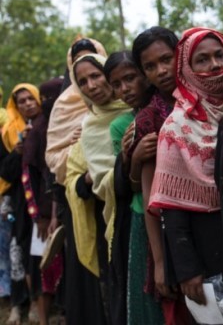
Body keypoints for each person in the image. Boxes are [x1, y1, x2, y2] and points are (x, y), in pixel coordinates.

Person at [149, 27, 223, 307]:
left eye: (220, 55)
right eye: (202, 59)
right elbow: (172, 211)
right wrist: (188, 269)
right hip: (208, 247)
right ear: (186, 67)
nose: (214, 65)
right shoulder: (176, 128)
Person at [44, 37, 107, 325]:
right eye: (78, 67)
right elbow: (53, 159)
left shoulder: (119, 95)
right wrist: (75, 146)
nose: (91, 83)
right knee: (86, 272)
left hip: (113, 196)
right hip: (79, 200)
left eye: (93, 63)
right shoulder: (63, 106)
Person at [64, 53, 130, 324]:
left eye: (95, 75)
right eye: (83, 82)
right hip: (115, 218)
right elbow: (76, 178)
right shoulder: (89, 127)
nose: (91, 85)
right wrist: (90, 180)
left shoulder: (138, 105)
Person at [129, 26, 188, 324]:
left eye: (167, 59)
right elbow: (150, 191)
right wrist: (161, 262)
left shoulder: (210, 96)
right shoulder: (149, 119)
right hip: (174, 233)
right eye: (150, 66)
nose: (162, 71)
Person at [103, 51, 163, 325]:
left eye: (130, 78)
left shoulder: (168, 108)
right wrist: (134, 157)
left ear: (144, 75)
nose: (125, 89)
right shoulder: (120, 126)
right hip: (143, 215)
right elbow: (132, 186)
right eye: (116, 84)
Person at [22, 77, 64, 325]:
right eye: (45, 99)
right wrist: (39, 215)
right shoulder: (37, 131)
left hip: (59, 209)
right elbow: (29, 177)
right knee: (43, 267)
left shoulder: (57, 125)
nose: (50, 103)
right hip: (43, 215)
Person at [0, 84, 41, 324]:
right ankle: (17, 305)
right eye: (21, 101)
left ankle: (37, 302)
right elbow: (5, 172)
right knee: (17, 250)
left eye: (30, 98)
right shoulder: (7, 132)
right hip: (19, 203)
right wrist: (16, 152)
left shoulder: (48, 124)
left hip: (43, 202)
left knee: (38, 253)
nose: (27, 104)